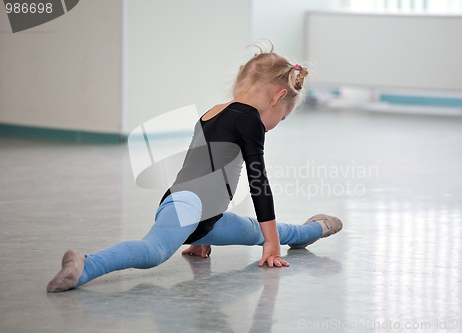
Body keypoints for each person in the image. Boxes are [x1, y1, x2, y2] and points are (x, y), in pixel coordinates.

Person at [46, 38, 343, 293]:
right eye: (283, 117)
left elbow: (204, 167)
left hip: (202, 214)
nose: (276, 125)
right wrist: (272, 245)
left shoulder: (213, 112)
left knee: (256, 232)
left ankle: (314, 229)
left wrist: (199, 233)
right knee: (154, 251)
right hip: (188, 205)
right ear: (279, 96)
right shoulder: (249, 119)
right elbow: (258, 182)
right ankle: (85, 265)